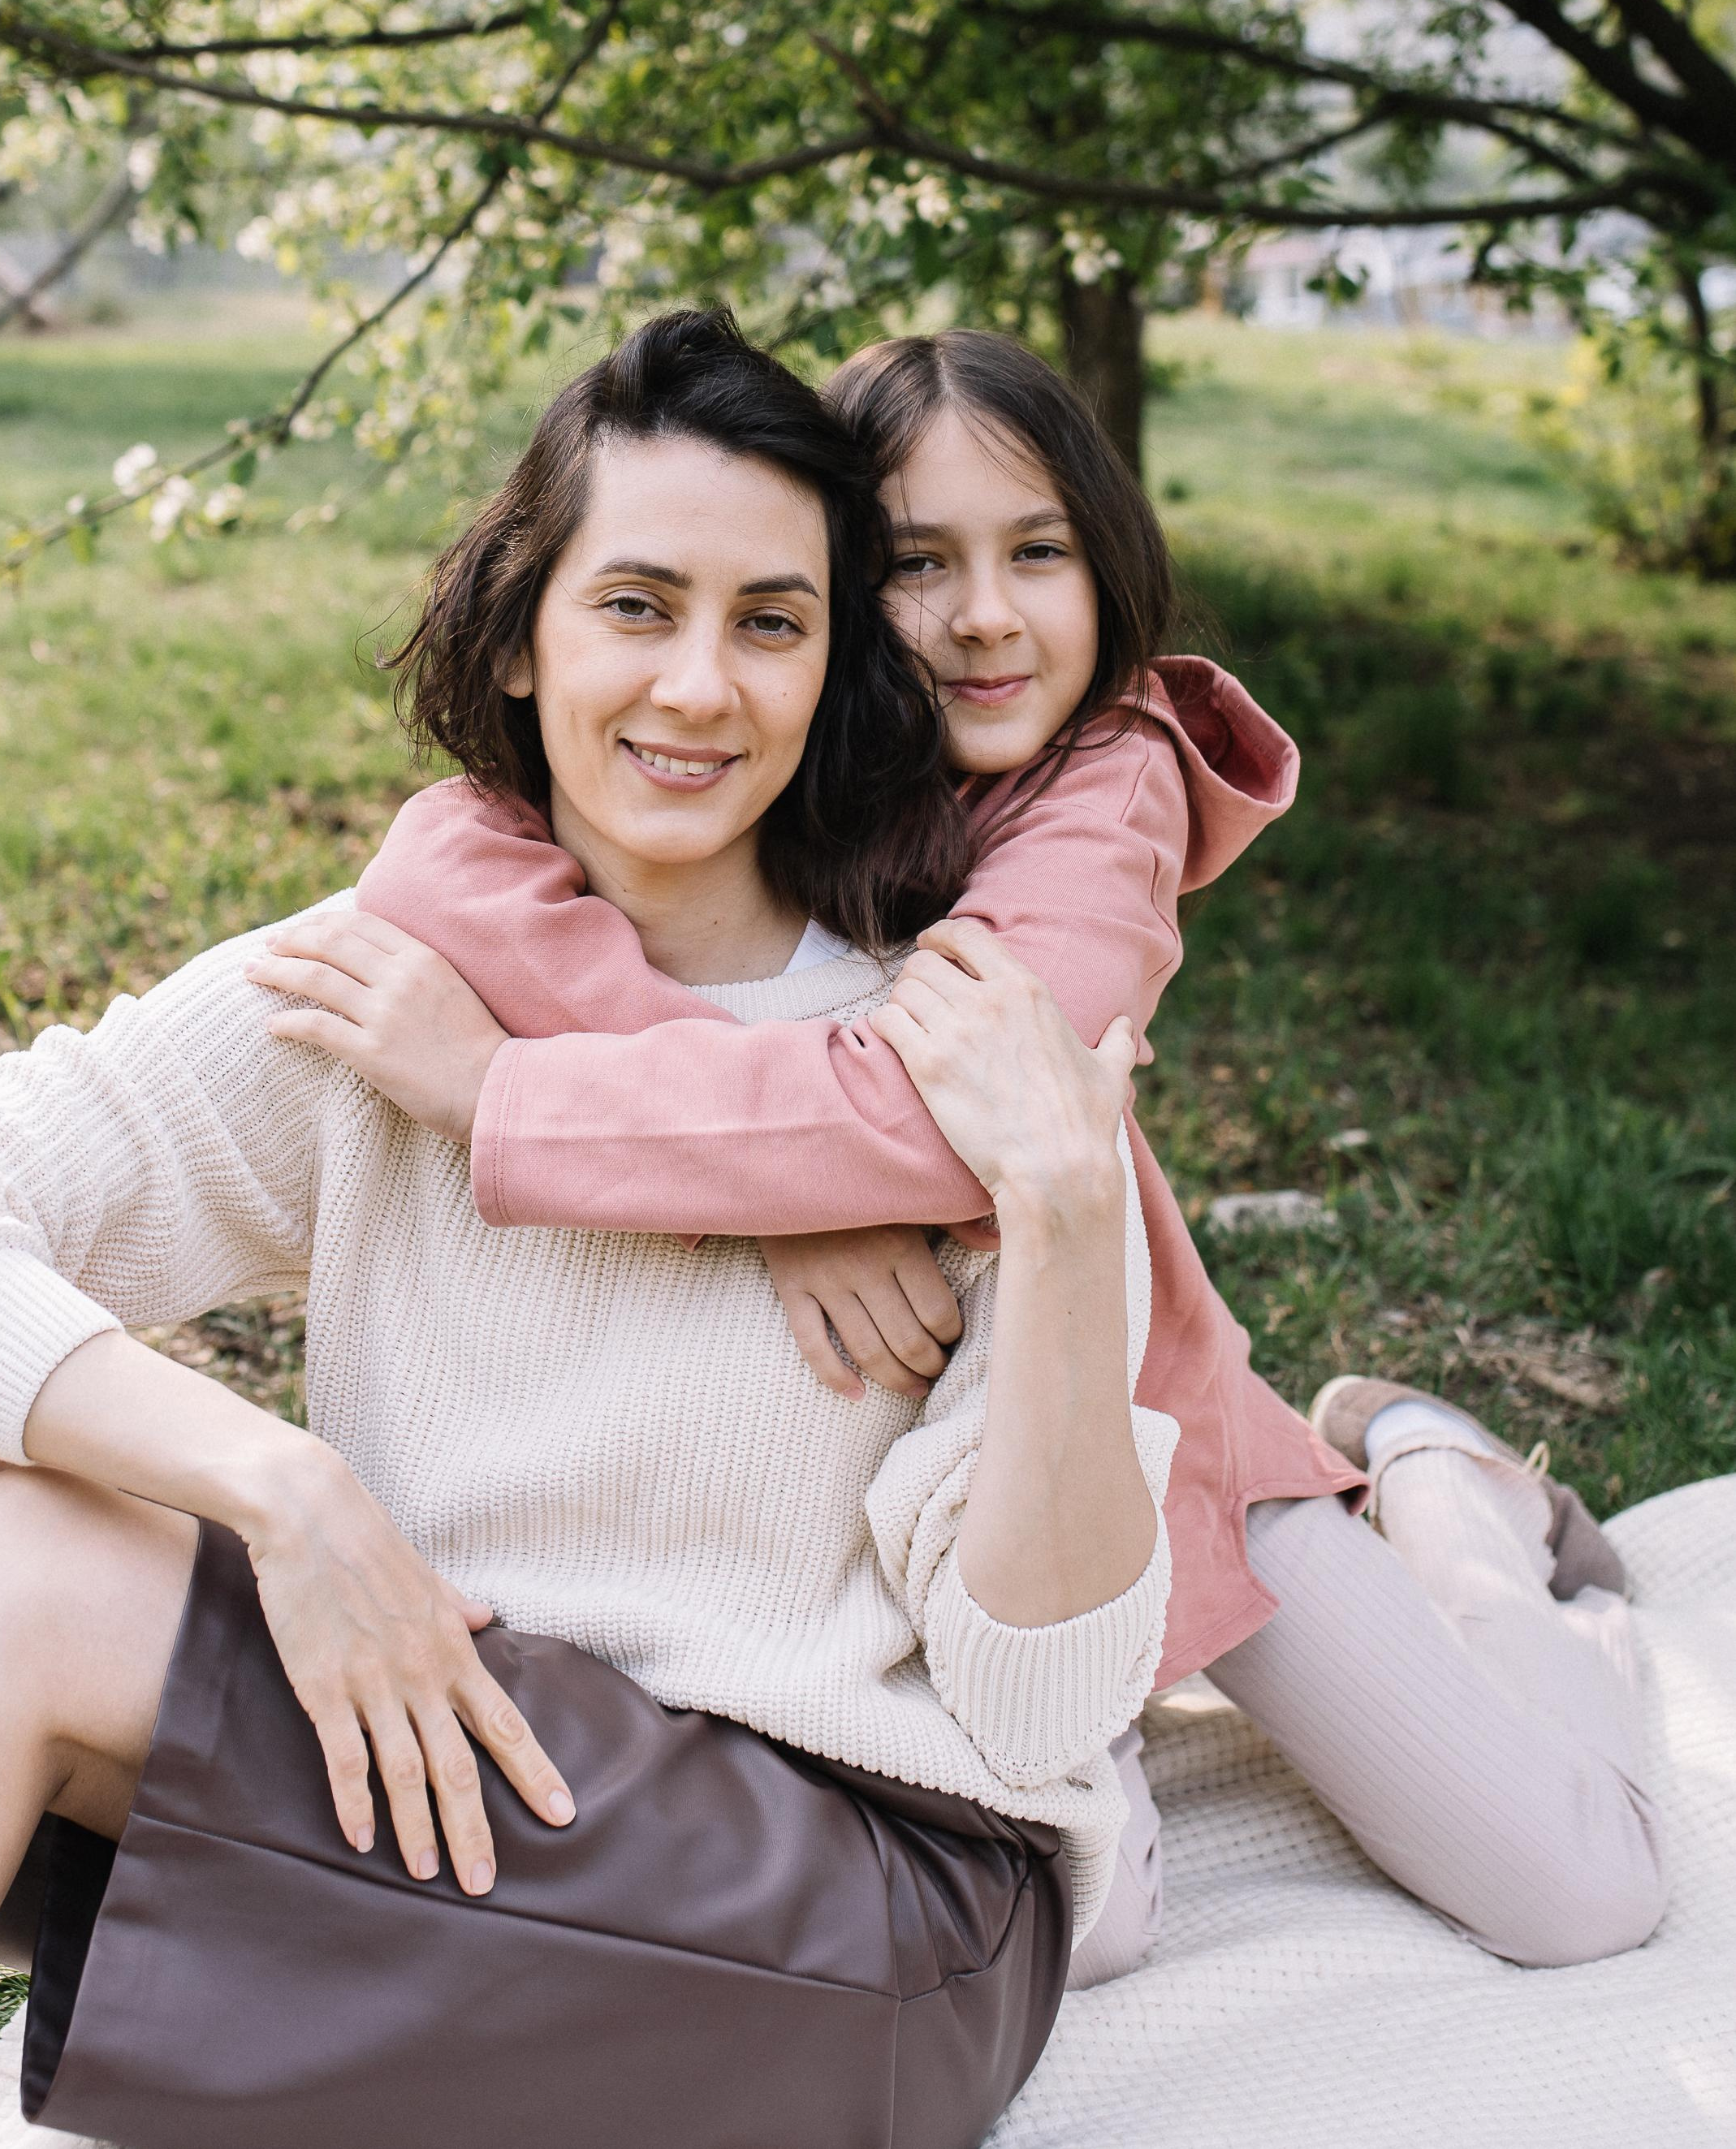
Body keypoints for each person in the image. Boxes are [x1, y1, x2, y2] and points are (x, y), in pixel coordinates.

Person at [0, 310, 1173, 2149]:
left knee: (28, 1574)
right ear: (518, 633)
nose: (699, 687)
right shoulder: (394, 1006)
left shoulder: (934, 1064)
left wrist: (1066, 1218)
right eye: (636, 604)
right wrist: (283, 1488)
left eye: (771, 622)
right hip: (472, 1789)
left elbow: (1041, 1708)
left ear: (834, 672)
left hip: (855, 1915)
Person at [285, 326, 1666, 1981]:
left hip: (1142, 1442)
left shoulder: (1109, 786)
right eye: (916, 562)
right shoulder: (763, 764)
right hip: (890, 1530)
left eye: (1039, 551)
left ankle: (1443, 1489)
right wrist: (772, 1209)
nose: (986, 615)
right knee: (1074, 1923)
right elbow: (445, 861)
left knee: (1580, 1890)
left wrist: (505, 1091)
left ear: (1111, 561)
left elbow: (943, 1121)